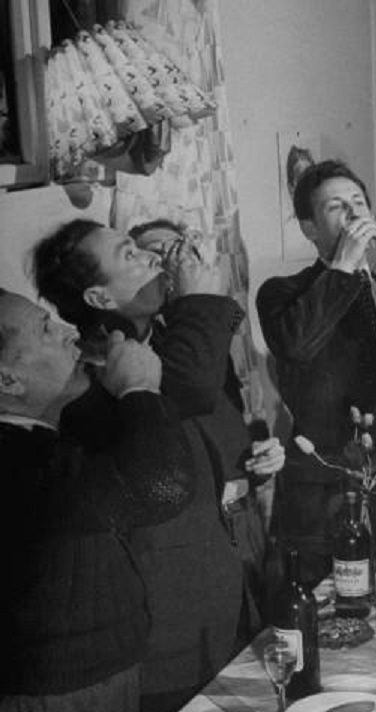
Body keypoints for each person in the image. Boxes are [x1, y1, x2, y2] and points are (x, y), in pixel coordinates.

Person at [31, 218, 283, 712]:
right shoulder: (87, 376)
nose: (155, 261)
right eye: (131, 254)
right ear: (99, 296)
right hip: (164, 645)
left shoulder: (164, 344)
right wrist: (203, 299)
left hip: (218, 612)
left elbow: (208, 428)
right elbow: (183, 390)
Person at [0, 290, 193, 712]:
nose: (64, 331)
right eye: (43, 327)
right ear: (7, 379)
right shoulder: (18, 459)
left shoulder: (39, 435)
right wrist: (138, 390)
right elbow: (159, 484)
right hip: (55, 706)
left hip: (85, 690)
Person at [256, 159, 376, 583]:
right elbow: (296, 344)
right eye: (335, 206)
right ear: (309, 229)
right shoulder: (283, 293)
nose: (352, 213)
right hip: (321, 496)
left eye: (358, 202)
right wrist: (342, 265)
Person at [128, 217, 283, 643]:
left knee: (259, 639)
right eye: (157, 255)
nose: (173, 263)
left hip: (242, 521)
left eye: (179, 251)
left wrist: (259, 458)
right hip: (196, 539)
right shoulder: (145, 348)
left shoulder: (205, 339)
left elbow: (219, 426)